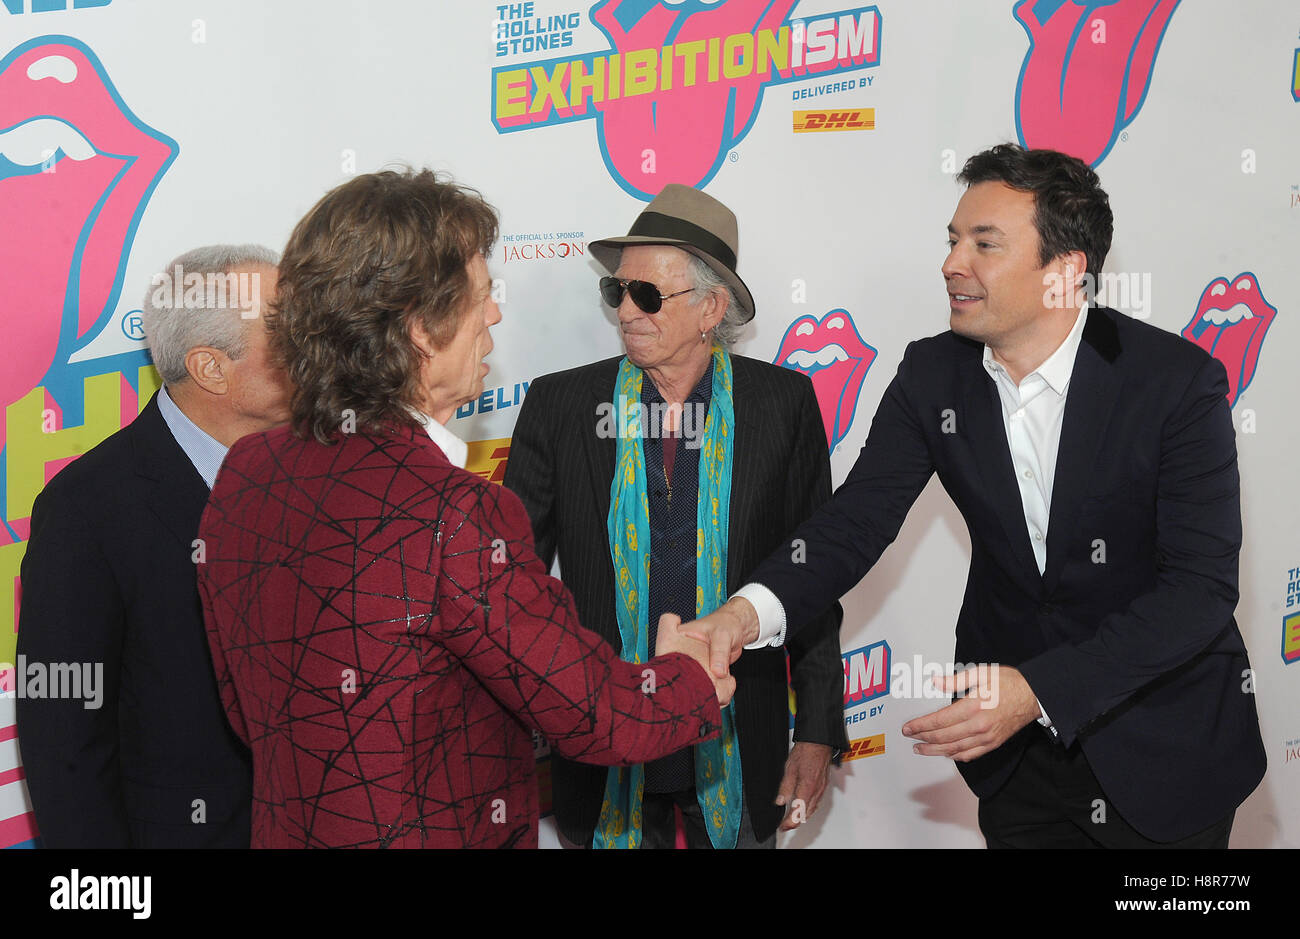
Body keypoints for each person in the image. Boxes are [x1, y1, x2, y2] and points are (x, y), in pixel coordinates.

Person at [683, 144, 1267, 848]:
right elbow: (854, 521)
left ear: (1065, 270)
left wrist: (1041, 691)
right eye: (954, 239)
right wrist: (742, 616)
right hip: (1017, 764)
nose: (953, 262)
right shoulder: (935, 375)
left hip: (1164, 749)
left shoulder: (1174, 383)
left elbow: (1198, 592)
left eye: (984, 243)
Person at [196, 169, 732, 849]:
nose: (495, 316)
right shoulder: (456, 514)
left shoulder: (248, 468)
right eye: (482, 296)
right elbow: (595, 714)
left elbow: (248, 710)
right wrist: (689, 675)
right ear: (422, 329)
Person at [505, 184, 847, 849]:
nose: (625, 312)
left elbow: (813, 575)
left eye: (648, 296)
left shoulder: (782, 405)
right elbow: (513, 585)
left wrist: (816, 728)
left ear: (711, 308)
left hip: (738, 738)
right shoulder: (559, 406)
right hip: (601, 742)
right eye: (616, 293)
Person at [17, 244, 292, 847]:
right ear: (210, 368)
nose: (318, 344)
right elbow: (63, 739)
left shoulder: (327, 467)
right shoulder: (87, 507)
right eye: (287, 329)